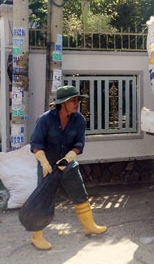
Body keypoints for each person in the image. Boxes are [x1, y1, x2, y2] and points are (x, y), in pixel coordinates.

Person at [29, 85, 107, 250]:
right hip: (48, 167)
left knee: (80, 194)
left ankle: (89, 226)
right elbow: (36, 143)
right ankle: (37, 236)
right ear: (61, 103)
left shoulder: (79, 120)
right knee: (44, 199)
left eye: (77, 99)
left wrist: (70, 156)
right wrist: (43, 161)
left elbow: (79, 143)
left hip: (68, 165)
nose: (76, 103)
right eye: (72, 100)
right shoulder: (45, 120)